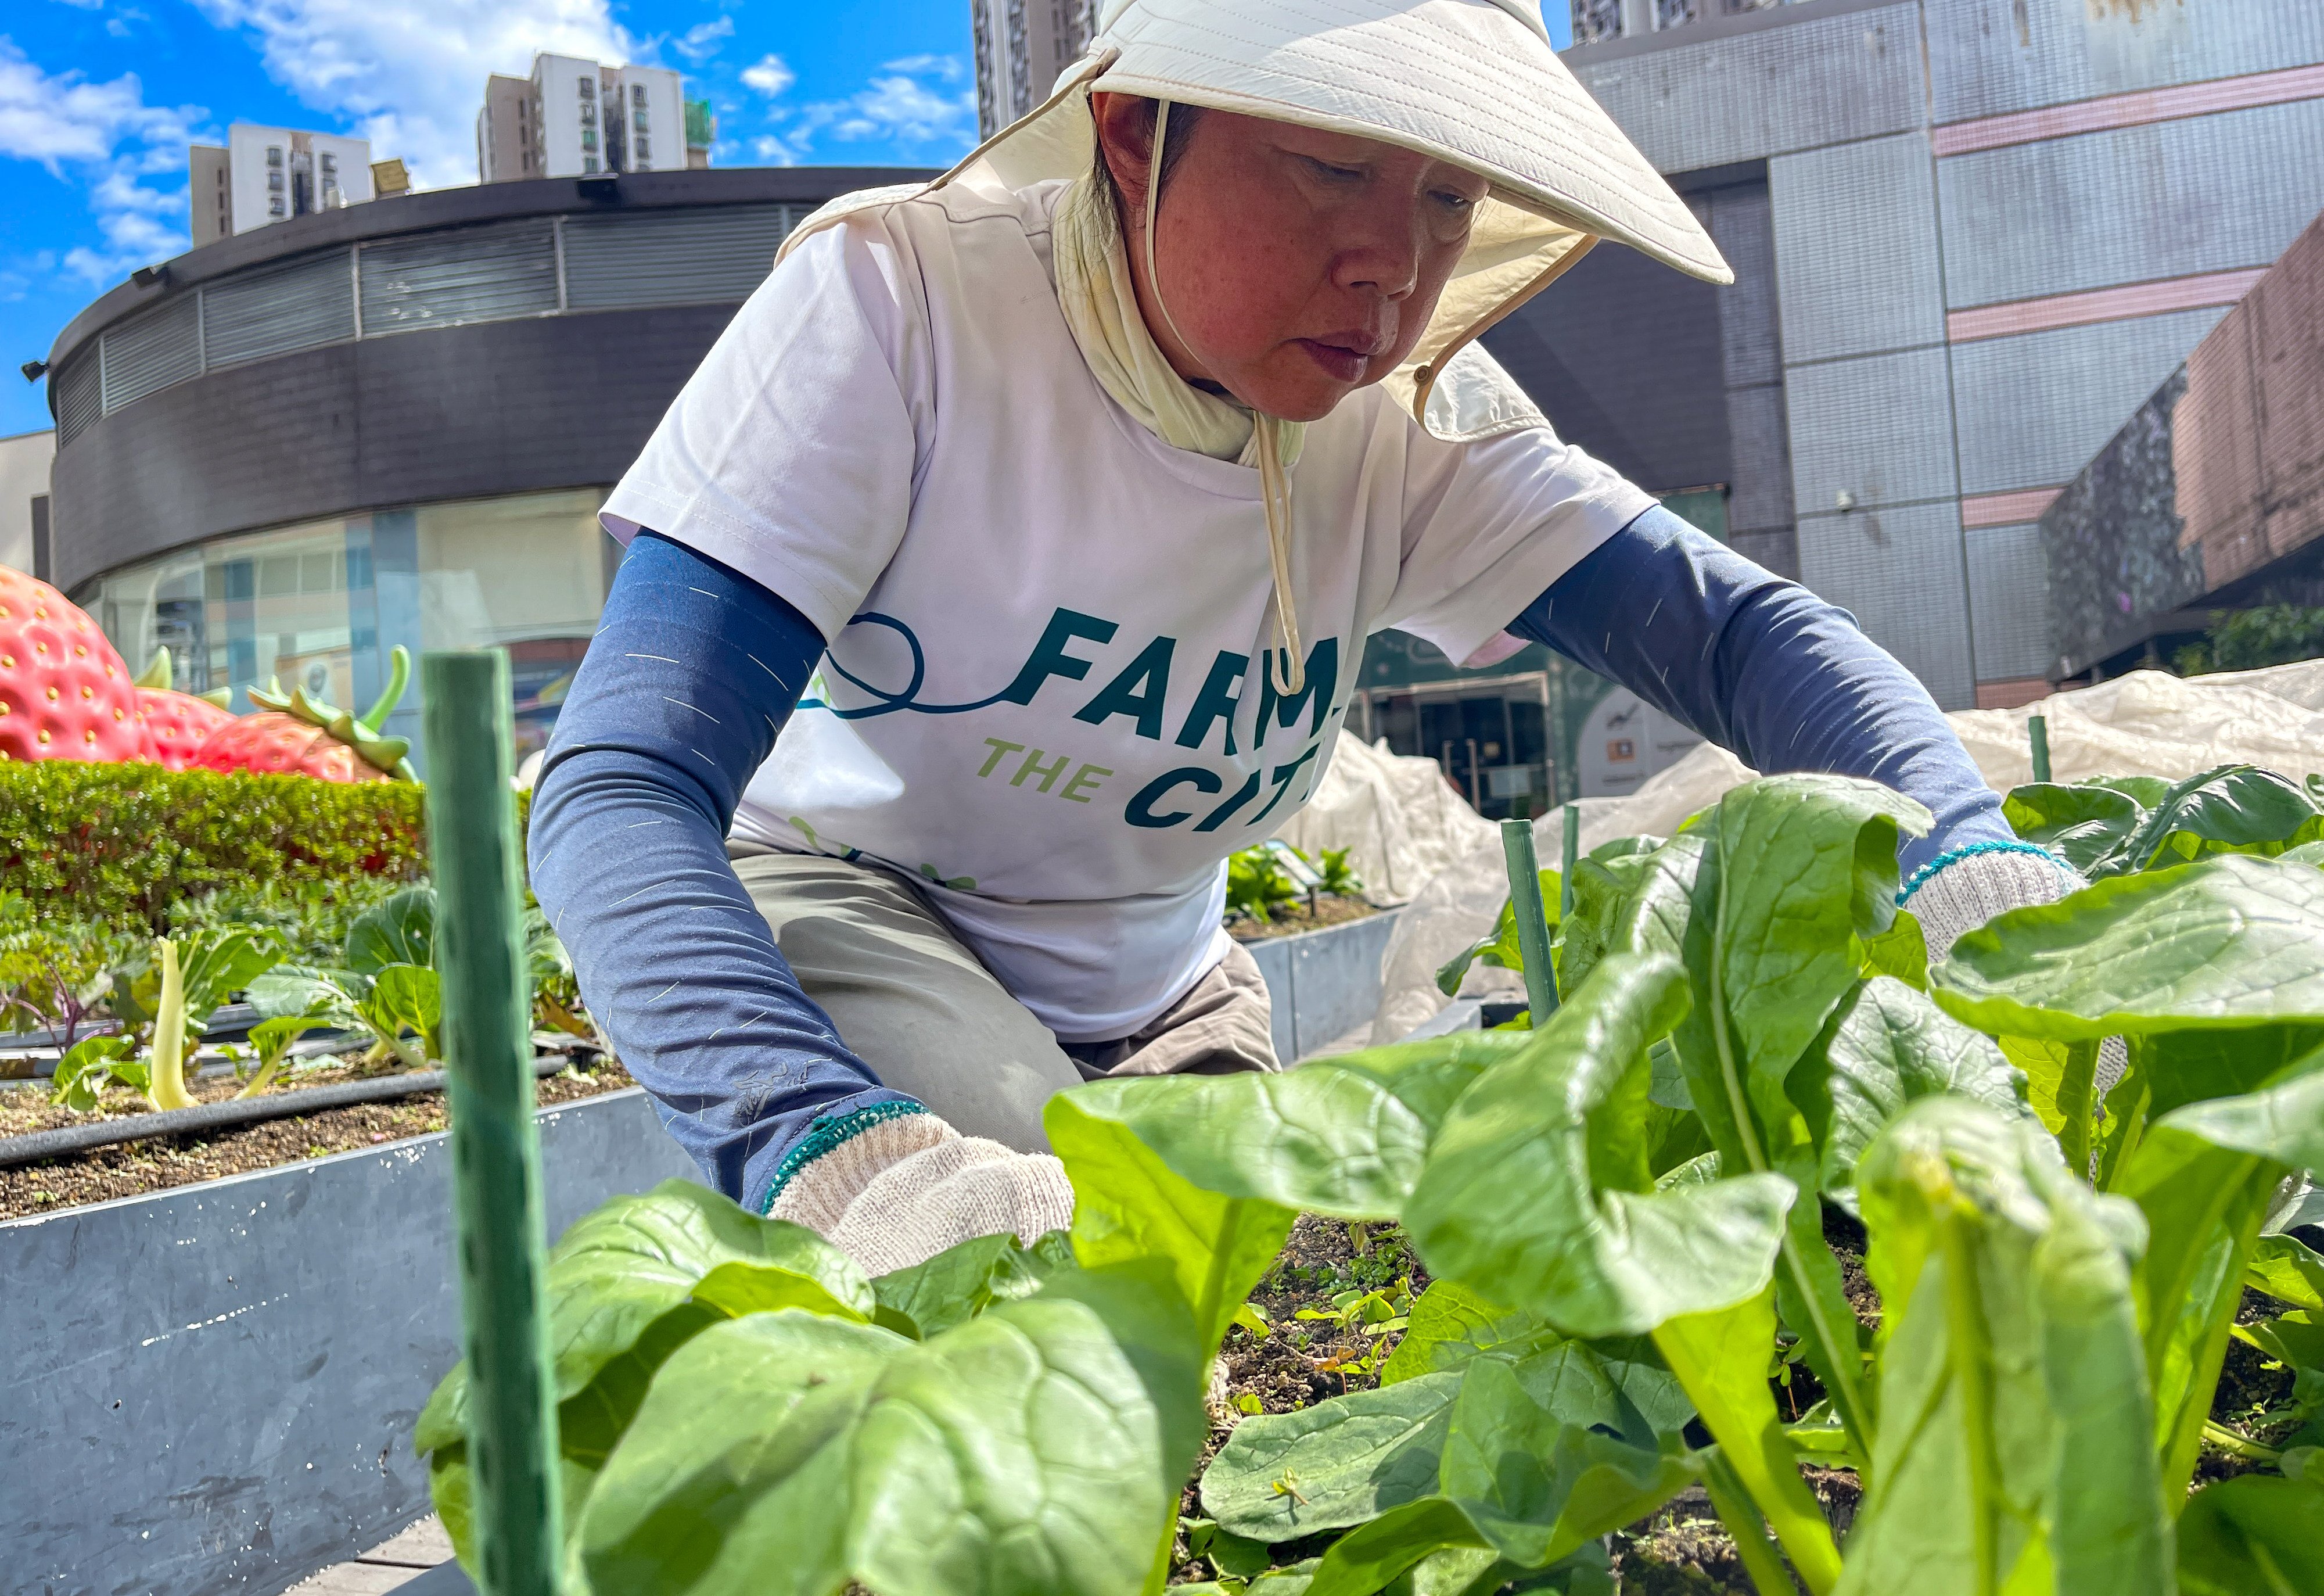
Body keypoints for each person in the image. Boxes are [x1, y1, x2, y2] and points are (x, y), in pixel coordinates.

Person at [530, 0, 2076, 1277]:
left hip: (1169, 991)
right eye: (1335, 167)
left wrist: (1967, 869)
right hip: (864, 910)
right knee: (1026, 1273)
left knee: (1315, 1313)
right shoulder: (904, 311)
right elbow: (618, 789)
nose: (1394, 266)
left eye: (1445, 195)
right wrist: (828, 1147)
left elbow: (1740, 640)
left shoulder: (1395, 425)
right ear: (1133, 138)